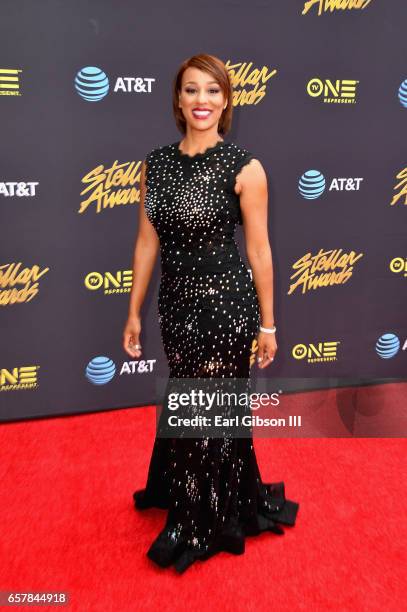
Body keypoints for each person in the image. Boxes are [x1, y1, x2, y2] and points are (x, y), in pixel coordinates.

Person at [123, 53, 299, 573]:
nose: (202, 100)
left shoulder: (246, 167)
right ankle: (205, 493)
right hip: (176, 306)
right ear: (177, 100)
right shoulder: (154, 164)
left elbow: (261, 252)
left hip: (227, 307)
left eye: (213, 91)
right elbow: (145, 243)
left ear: (227, 101)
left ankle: (200, 521)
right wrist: (132, 312)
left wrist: (268, 323)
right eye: (192, 90)